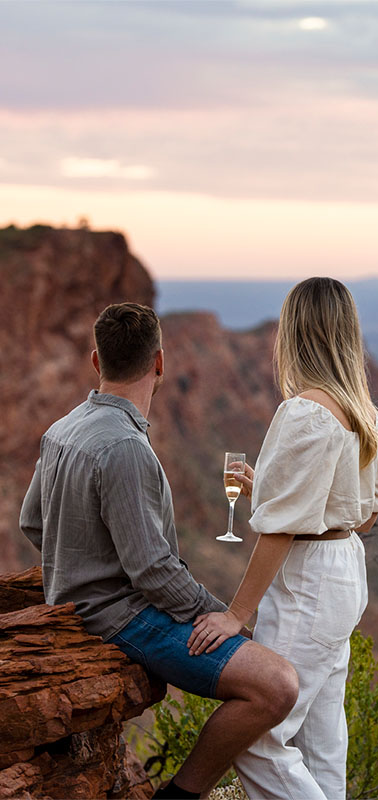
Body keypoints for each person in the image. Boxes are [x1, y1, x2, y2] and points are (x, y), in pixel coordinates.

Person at [20, 302, 298, 800]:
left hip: (79, 603)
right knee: (276, 685)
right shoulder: (124, 447)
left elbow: (31, 521)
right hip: (120, 615)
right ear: (160, 363)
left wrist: (80, 561)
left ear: (96, 362)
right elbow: (151, 570)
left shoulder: (60, 430)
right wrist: (225, 617)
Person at [187, 277, 378, 800]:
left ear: (295, 332)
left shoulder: (305, 411)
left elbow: (282, 528)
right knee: (321, 739)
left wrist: (236, 613)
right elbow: (362, 517)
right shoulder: (362, 413)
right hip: (344, 569)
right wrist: (270, 488)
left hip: (309, 579)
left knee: (258, 735)